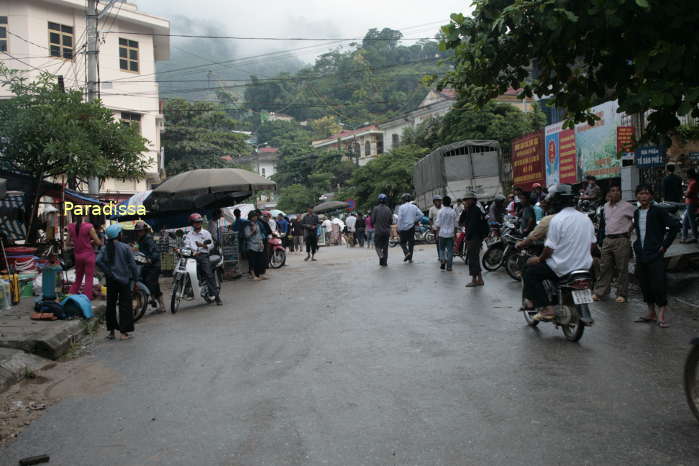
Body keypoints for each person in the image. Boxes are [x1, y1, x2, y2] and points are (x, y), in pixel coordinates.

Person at [522, 184, 596, 322]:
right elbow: (592, 244)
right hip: (584, 267)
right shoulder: (586, 218)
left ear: (555, 201)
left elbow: (549, 249)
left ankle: (546, 308)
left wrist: (539, 259)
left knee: (530, 271)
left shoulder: (557, 220)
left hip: (562, 267)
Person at [633, 184, 680, 328]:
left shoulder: (658, 211)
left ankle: (661, 315)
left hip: (655, 254)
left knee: (658, 285)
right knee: (645, 284)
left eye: (646, 193)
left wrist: (664, 246)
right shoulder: (636, 212)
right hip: (641, 254)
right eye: (641, 194)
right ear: (637, 196)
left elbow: (675, 226)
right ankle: (651, 312)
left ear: (651, 196)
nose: (643, 196)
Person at [592, 184, 635, 303]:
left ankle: (621, 293)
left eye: (617, 191)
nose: (615, 193)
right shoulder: (605, 206)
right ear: (608, 193)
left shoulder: (627, 206)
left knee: (622, 268)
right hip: (608, 239)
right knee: (604, 267)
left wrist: (628, 231)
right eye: (612, 191)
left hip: (621, 239)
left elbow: (635, 220)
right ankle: (601, 292)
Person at [96, 224, 137, 340]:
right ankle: (124, 333)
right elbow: (133, 266)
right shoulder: (125, 247)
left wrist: (107, 272)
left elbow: (98, 261)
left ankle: (111, 332)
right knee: (125, 305)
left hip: (111, 280)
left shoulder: (105, 248)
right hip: (124, 280)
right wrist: (136, 279)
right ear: (118, 235)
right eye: (121, 233)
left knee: (111, 305)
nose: (122, 234)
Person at [183, 213, 222, 305]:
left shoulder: (206, 233)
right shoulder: (189, 235)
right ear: (192, 223)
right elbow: (186, 244)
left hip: (202, 255)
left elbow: (211, 245)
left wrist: (203, 245)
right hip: (192, 255)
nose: (197, 224)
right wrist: (185, 249)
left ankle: (217, 297)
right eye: (195, 222)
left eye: (199, 222)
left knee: (208, 274)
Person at [67, 214, 102, 300]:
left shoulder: (70, 226)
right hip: (88, 255)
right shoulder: (89, 226)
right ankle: (86, 298)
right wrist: (89, 242)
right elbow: (98, 242)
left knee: (78, 278)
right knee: (88, 279)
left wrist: (77, 243)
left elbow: (67, 243)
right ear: (84, 216)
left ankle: (70, 296)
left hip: (78, 256)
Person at [134, 220, 164, 310]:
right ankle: (159, 304)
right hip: (146, 265)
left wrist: (150, 258)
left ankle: (153, 299)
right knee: (152, 284)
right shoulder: (141, 240)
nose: (139, 232)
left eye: (141, 231)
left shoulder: (148, 238)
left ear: (144, 231)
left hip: (154, 265)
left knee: (150, 282)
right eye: (138, 231)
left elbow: (154, 251)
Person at [458, 192, 487, 286]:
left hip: (474, 237)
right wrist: (465, 209)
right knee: (473, 258)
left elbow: (472, 226)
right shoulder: (469, 210)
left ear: (472, 200)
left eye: (467, 200)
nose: (465, 202)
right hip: (473, 237)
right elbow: (460, 221)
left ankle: (475, 280)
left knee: (473, 259)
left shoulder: (475, 210)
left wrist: (467, 237)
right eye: (464, 200)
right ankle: (480, 279)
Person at [397, 193, 423, 263]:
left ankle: (406, 252)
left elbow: (399, 219)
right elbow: (421, 215)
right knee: (411, 243)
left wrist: (398, 228)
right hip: (411, 227)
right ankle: (410, 258)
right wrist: (414, 220)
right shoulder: (414, 207)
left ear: (403, 200)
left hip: (403, 228)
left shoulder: (401, 207)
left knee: (402, 242)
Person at [244, 211, 268, 280]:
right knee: (252, 261)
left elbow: (259, 235)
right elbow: (246, 236)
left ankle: (260, 275)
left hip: (259, 245)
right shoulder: (247, 225)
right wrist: (252, 232)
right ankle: (253, 275)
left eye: (256, 216)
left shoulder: (257, 224)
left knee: (259, 261)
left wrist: (261, 243)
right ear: (250, 217)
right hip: (251, 246)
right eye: (254, 216)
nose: (255, 217)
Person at [371, 194, 393, 266]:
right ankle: (384, 263)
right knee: (385, 248)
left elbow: (372, 220)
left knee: (377, 246)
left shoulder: (375, 209)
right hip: (386, 232)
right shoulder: (388, 209)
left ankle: (381, 256)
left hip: (378, 231)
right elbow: (391, 221)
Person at [436, 196, 457, 271]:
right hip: (450, 234)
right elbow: (455, 225)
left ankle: (443, 259)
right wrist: (455, 235)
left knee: (441, 249)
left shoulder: (440, 211)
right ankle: (449, 267)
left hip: (442, 234)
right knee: (450, 250)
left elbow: (438, 224)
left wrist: (437, 234)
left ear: (442, 202)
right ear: (450, 202)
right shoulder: (453, 211)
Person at [682, 168, 698, 243]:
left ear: (689, 174)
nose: (685, 175)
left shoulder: (693, 183)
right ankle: (684, 237)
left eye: (686, 174)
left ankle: (695, 236)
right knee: (685, 221)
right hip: (689, 203)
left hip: (691, 203)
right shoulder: (691, 182)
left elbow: (688, 194)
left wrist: (685, 193)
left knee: (691, 221)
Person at [428, 195, 443, 261]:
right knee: (438, 242)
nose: (438, 202)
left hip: (443, 228)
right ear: (434, 202)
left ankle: (444, 254)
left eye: (439, 201)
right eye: (437, 201)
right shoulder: (431, 209)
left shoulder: (444, 207)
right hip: (436, 228)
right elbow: (430, 219)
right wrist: (431, 227)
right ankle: (440, 255)